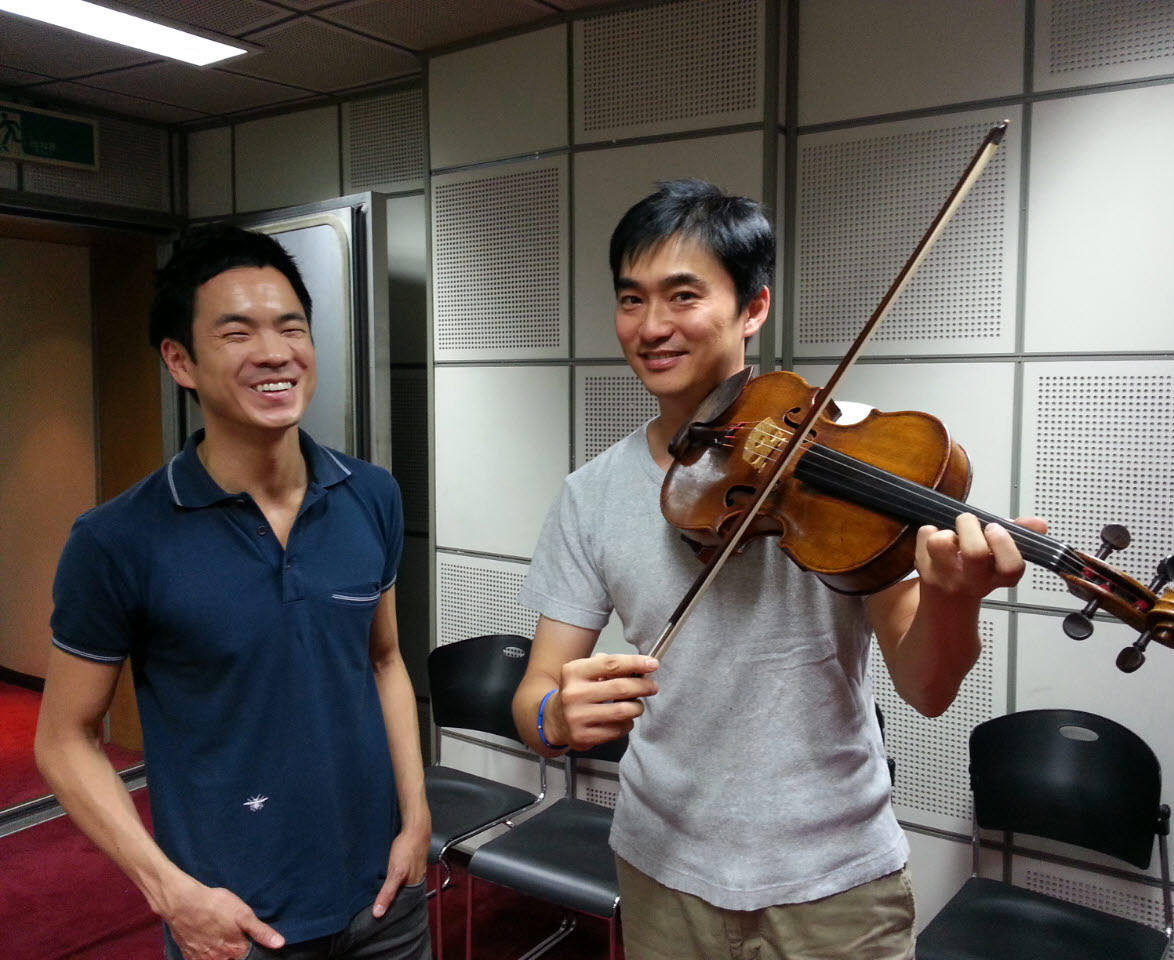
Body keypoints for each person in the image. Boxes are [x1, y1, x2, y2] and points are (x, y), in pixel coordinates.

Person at [512, 179, 1047, 959]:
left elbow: (927, 690)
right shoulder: (590, 495)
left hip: (835, 884)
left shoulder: (855, 457)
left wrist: (953, 600)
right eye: (631, 300)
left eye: (683, 295)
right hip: (661, 871)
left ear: (753, 307)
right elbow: (535, 691)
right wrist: (552, 720)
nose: (651, 327)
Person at [34, 224, 432, 960]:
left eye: (291, 327)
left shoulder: (371, 494)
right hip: (235, 922)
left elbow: (383, 660)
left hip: (386, 896)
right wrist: (169, 892)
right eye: (237, 332)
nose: (275, 352)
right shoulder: (116, 539)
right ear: (179, 361)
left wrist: (415, 820)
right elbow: (64, 739)